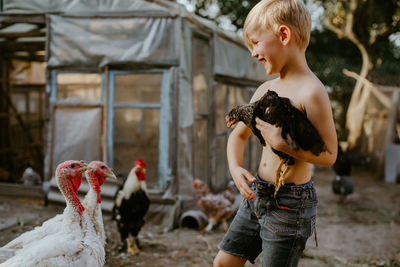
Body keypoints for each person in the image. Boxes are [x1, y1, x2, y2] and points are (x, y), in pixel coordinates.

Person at [213, 0, 338, 266]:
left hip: (290, 204)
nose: (253, 53)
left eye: (256, 43)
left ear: (283, 35)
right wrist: (235, 169)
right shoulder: (264, 89)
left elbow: (329, 155)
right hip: (257, 193)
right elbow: (238, 135)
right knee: (224, 263)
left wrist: (282, 143)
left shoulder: (312, 92)